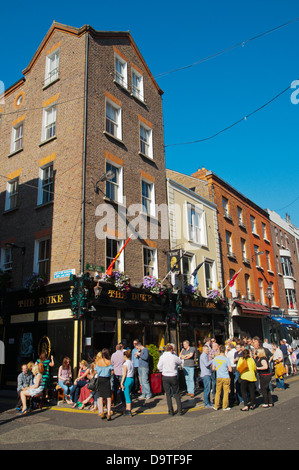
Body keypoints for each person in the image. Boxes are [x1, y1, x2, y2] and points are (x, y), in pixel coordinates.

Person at [157, 343, 183, 416]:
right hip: (173, 376)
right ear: (171, 350)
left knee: (168, 394)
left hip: (165, 376)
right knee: (176, 393)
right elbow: (180, 362)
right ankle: (180, 410)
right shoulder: (173, 357)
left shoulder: (162, 357)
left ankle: (171, 411)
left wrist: (164, 370)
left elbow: (159, 367)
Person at [95, 348, 114, 420]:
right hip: (106, 380)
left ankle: (102, 412)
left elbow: (96, 371)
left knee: (101, 396)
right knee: (108, 397)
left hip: (100, 379)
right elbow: (112, 372)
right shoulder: (109, 362)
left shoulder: (98, 362)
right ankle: (109, 414)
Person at [212, 344, 232, 411]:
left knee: (218, 392)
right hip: (226, 377)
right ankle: (224, 406)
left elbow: (213, 368)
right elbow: (230, 369)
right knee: (226, 392)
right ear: (224, 351)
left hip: (219, 377)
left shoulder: (216, 358)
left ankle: (216, 406)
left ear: (219, 350)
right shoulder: (226, 359)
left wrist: (218, 368)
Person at [120, 350, 135, 417]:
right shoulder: (131, 362)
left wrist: (121, 382)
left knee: (127, 395)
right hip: (132, 379)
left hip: (127, 379)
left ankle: (128, 410)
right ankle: (127, 409)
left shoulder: (125, 364)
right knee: (128, 393)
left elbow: (124, 374)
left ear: (125, 356)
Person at [226, 342, 237, 407]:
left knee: (232, 381)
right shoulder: (236, 351)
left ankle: (232, 392)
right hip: (236, 366)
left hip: (231, 367)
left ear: (230, 347)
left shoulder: (229, 353)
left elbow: (226, 359)